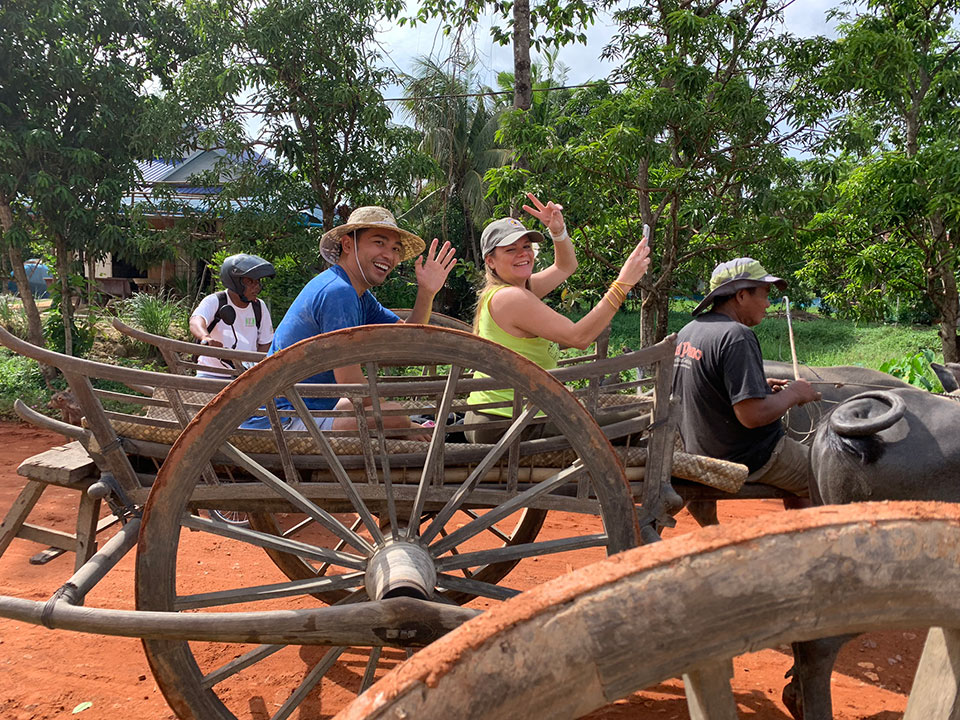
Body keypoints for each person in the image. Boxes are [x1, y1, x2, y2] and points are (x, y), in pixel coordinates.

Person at [246, 205, 456, 433]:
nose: (389, 255)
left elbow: (407, 339)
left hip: (306, 407)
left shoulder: (359, 296)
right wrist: (400, 424)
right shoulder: (339, 292)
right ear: (348, 245)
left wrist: (426, 291)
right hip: (281, 418)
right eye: (379, 242)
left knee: (387, 413)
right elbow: (349, 379)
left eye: (395, 248)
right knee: (395, 415)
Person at [466, 193, 651, 441]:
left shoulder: (516, 290)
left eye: (526, 247)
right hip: (506, 424)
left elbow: (565, 267)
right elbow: (579, 337)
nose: (523, 254)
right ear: (491, 261)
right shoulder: (510, 298)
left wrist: (558, 231)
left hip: (506, 417)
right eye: (511, 250)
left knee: (629, 416)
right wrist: (623, 284)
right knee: (639, 419)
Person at [672, 257, 821, 503]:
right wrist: (794, 393)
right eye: (764, 294)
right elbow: (751, 416)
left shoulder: (689, 331)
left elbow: (709, 387)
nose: (767, 304)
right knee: (830, 473)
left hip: (698, 451)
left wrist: (759, 386)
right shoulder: (737, 336)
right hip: (749, 457)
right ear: (741, 296)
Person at [189, 253, 276, 378]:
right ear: (235, 282)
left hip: (245, 376)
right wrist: (206, 338)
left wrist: (257, 369)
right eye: (250, 282)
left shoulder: (259, 307)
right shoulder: (215, 301)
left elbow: (265, 343)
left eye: (257, 282)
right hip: (211, 374)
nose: (256, 287)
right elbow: (196, 320)